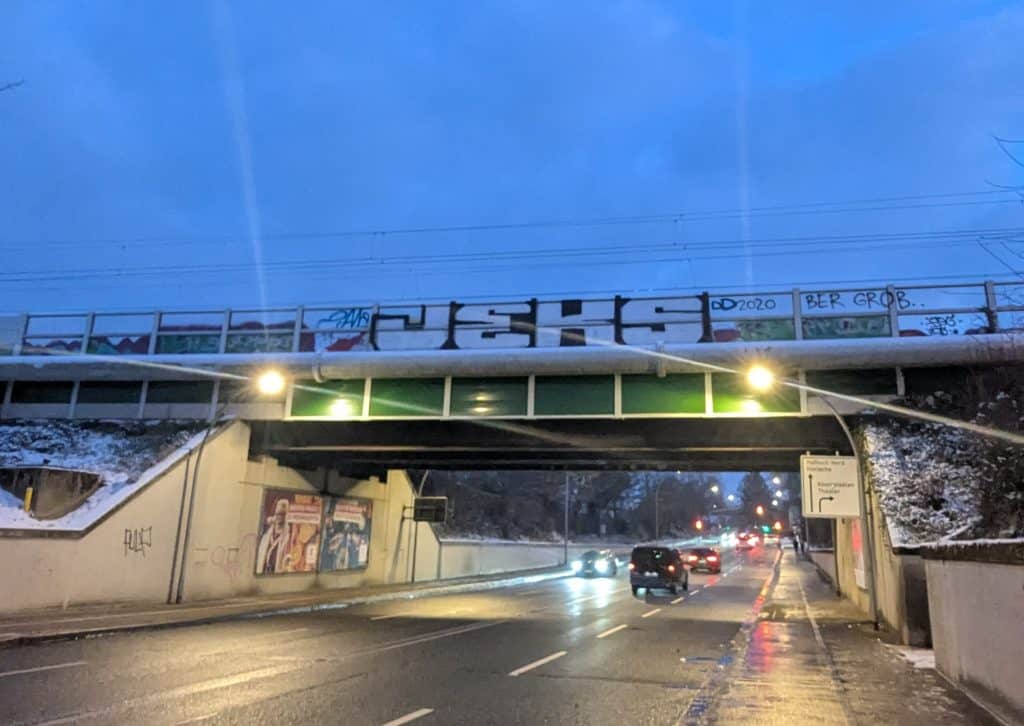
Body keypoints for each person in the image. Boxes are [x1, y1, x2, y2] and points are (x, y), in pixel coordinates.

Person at [256, 498, 290, 574]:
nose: (280, 517)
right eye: (278, 514)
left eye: (282, 514)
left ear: (286, 516)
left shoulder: (288, 537)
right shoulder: (266, 536)